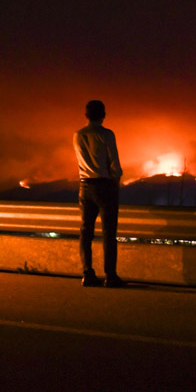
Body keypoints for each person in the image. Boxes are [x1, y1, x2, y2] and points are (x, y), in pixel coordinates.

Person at [73, 99, 125, 287]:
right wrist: (116, 179)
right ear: (103, 115)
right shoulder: (106, 134)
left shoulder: (77, 135)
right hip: (105, 186)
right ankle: (110, 276)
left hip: (85, 186)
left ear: (86, 115)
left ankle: (87, 273)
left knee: (86, 232)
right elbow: (114, 163)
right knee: (109, 233)